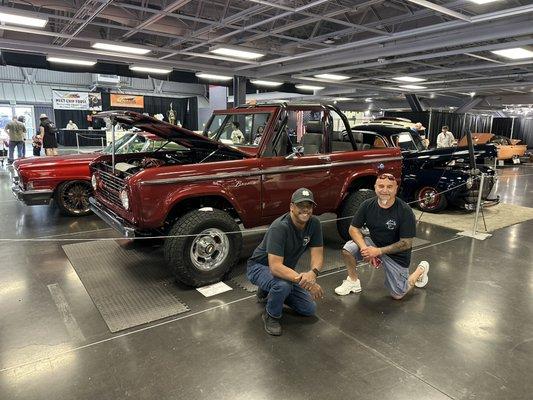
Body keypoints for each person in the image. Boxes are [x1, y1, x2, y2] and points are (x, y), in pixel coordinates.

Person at [335, 173, 429, 299]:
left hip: (397, 254)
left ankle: (420, 270)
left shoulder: (405, 211)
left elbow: (406, 243)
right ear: (375, 187)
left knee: (398, 294)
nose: (384, 190)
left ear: (396, 189)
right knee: (348, 250)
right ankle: (353, 281)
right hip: (374, 243)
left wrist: (378, 251)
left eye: (389, 187)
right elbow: (353, 229)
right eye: (381, 186)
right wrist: (365, 249)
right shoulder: (367, 205)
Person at [247, 188, 325, 336]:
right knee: (282, 284)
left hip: (284, 270)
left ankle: (267, 290)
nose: (305, 210)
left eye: (309, 206)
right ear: (291, 207)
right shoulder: (279, 227)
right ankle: (271, 315)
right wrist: (307, 282)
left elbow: (318, 254)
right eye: (301, 205)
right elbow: (275, 267)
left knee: (309, 309)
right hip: (259, 267)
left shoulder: (314, 223)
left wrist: (313, 273)